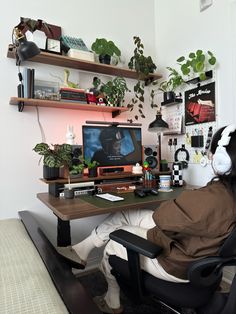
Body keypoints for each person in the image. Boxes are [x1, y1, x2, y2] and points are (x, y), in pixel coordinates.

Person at [58, 125, 236, 314]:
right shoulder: (224, 193)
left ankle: (112, 301)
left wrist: (180, 201)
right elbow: (186, 218)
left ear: (222, 160)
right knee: (126, 215)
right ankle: (82, 250)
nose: (209, 156)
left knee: (114, 238)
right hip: (195, 250)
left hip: (177, 262)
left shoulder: (212, 197)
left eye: (212, 151)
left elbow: (162, 217)